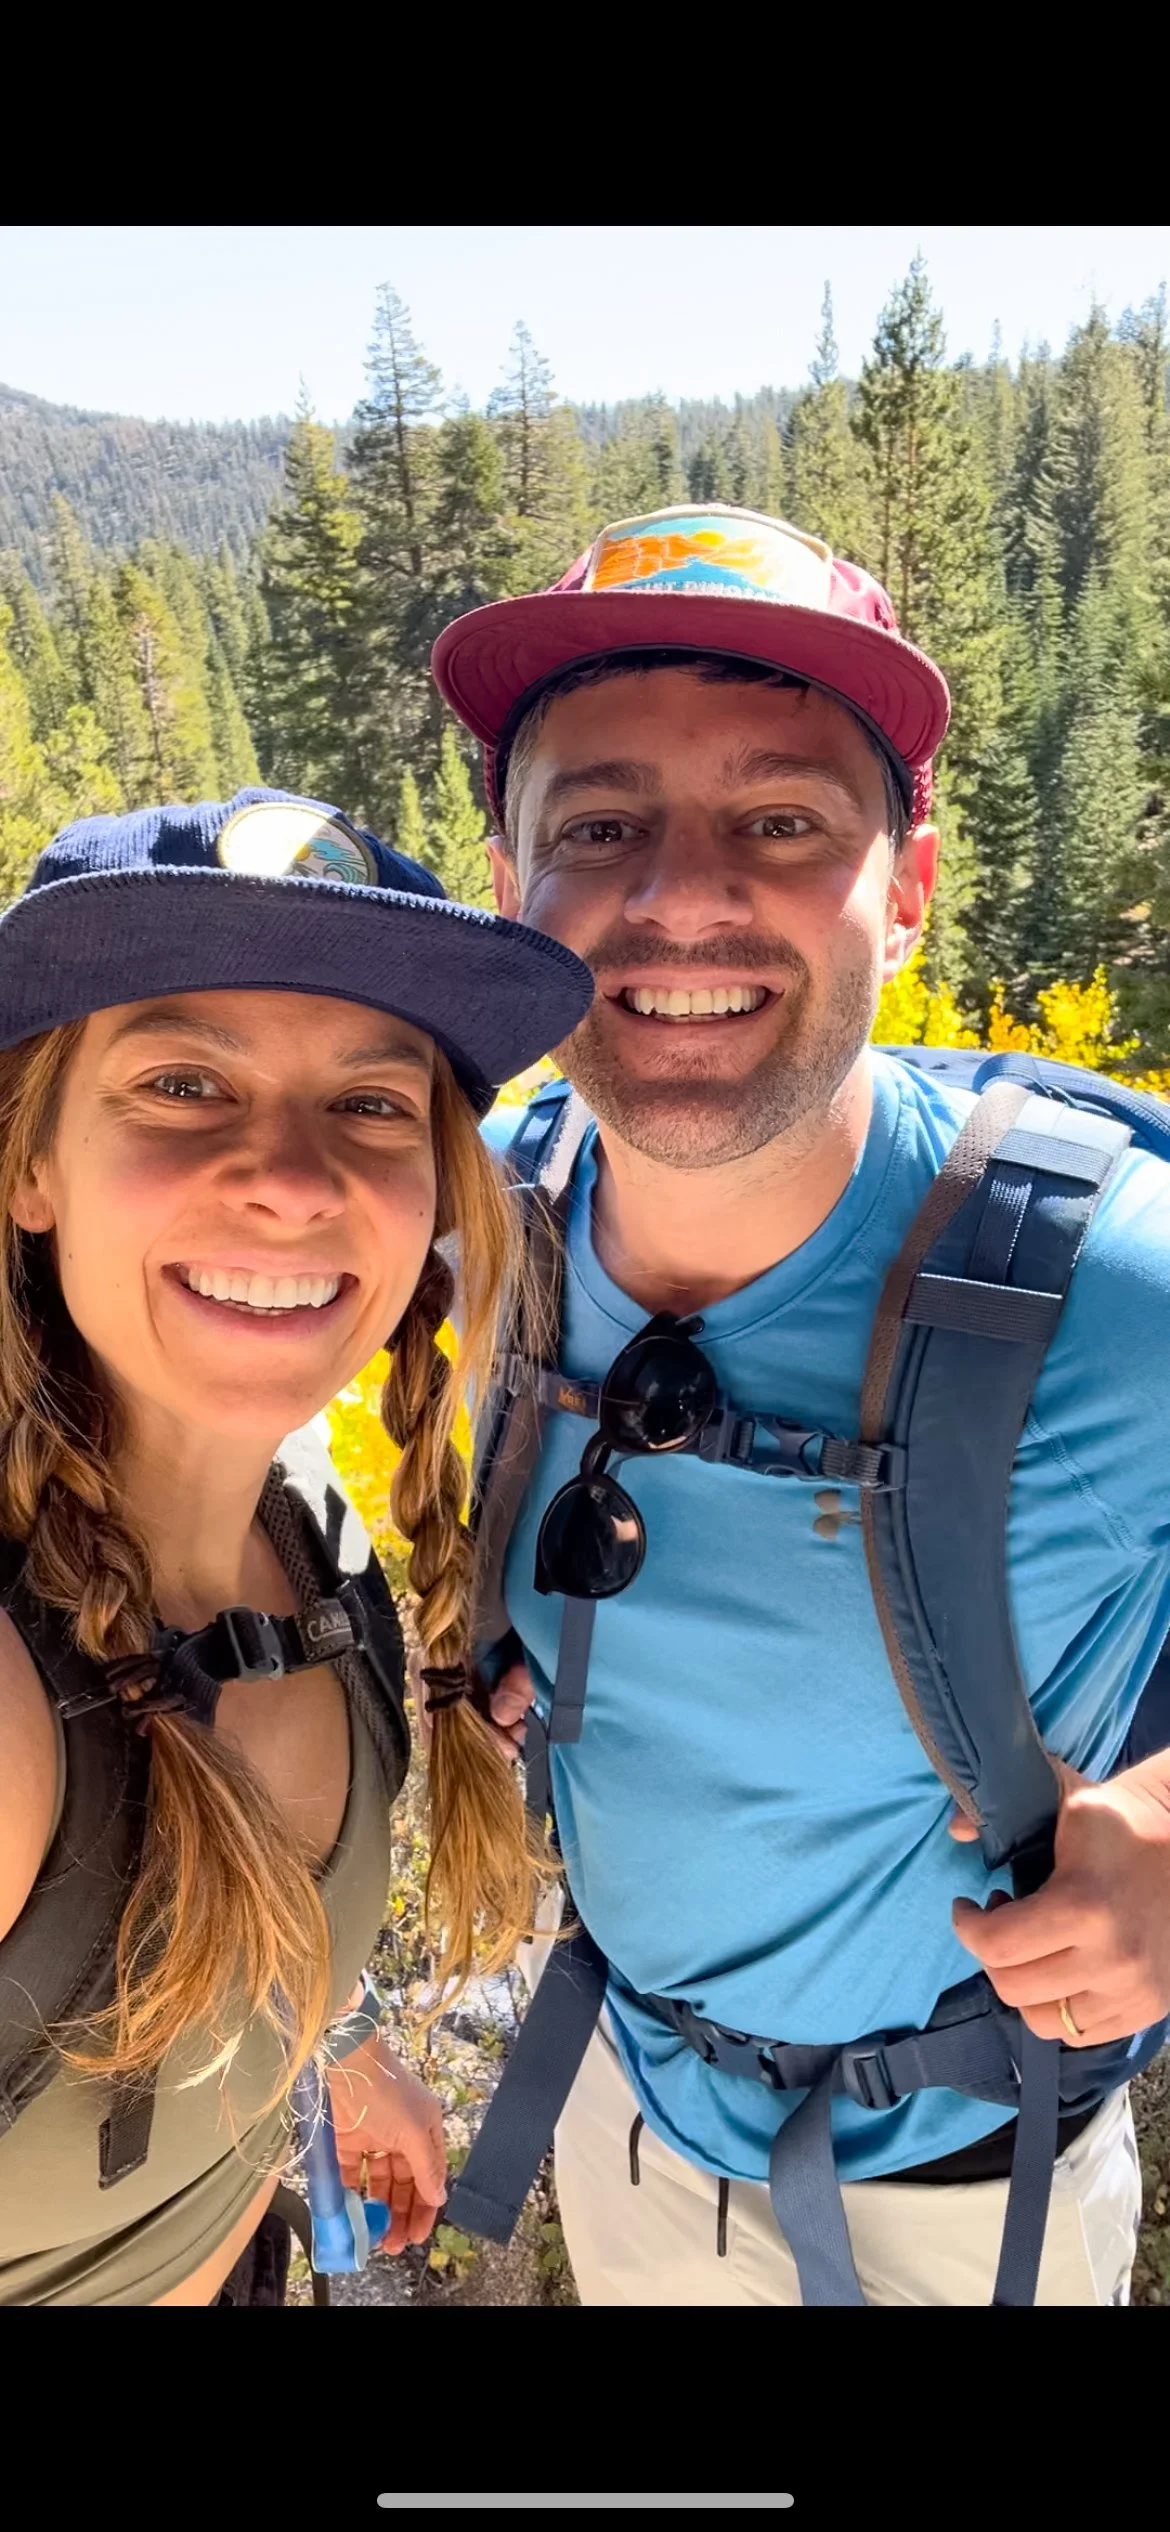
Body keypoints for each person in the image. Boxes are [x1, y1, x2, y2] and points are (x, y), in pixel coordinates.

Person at [429, 502, 1170, 2307]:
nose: (681, 894)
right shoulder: (465, 1217)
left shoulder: (1118, 1283)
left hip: (963, 2190)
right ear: (510, 888)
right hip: (623, 2107)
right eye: (599, 826)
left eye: (780, 821)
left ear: (904, 889)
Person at [0, 786, 591, 2305]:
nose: (291, 1176)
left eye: (373, 1104)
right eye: (183, 1083)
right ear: (29, 1167)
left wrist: (330, 2044)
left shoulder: (315, 1551)